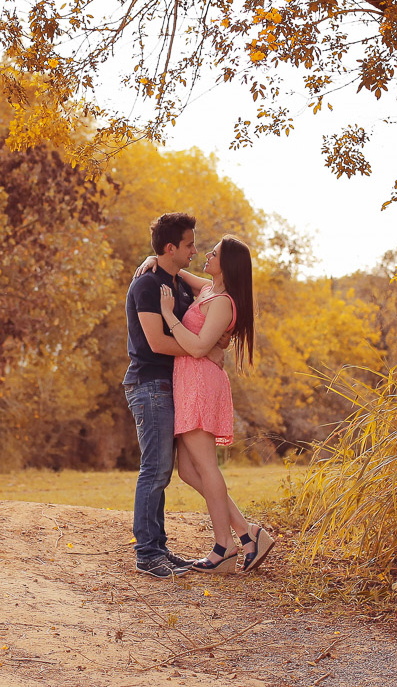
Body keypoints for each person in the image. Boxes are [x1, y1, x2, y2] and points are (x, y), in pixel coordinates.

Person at [144, 234, 274, 573]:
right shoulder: (209, 290)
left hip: (200, 384)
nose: (205, 255)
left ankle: (224, 546)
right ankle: (248, 534)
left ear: (226, 263)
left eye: (213, 253)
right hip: (189, 382)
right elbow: (184, 274)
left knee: (206, 467)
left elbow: (201, 347)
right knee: (188, 470)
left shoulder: (223, 302)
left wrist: (168, 315)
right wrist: (154, 260)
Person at [123, 213, 228, 578]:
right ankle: (147, 553)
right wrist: (203, 349)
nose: (194, 250)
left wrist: (213, 341)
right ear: (172, 247)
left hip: (172, 387)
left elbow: (210, 303)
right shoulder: (148, 286)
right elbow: (157, 342)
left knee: (164, 470)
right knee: (155, 469)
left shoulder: (177, 285)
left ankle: (159, 549)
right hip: (149, 384)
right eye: (188, 245)